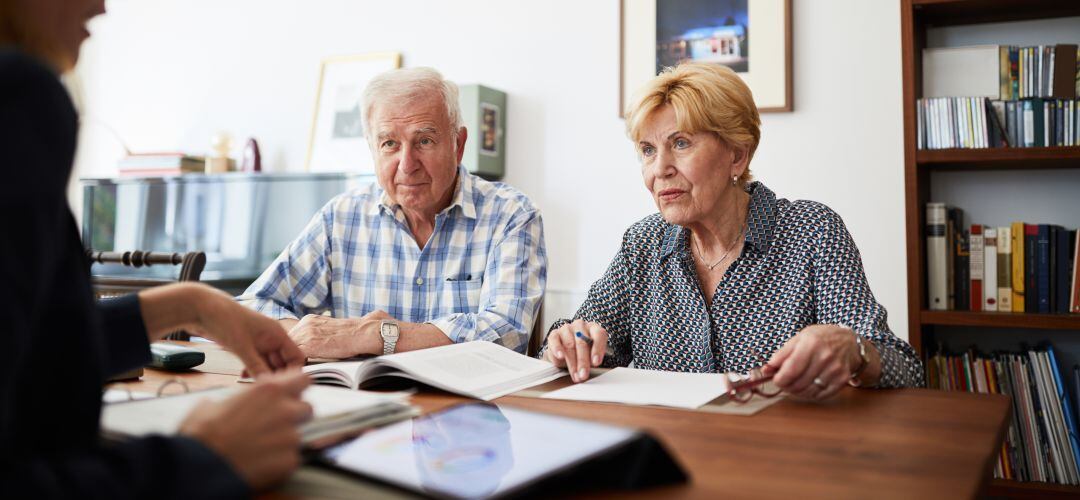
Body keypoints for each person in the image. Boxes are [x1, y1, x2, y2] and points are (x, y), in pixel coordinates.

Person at [0, 0, 314, 496]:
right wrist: (203, 458)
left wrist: (191, 304)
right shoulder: (20, 94)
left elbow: (37, 356)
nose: (101, 7)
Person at [540, 62, 923, 399]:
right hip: (670, 458)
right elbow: (584, 337)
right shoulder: (643, 243)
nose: (660, 170)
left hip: (781, 460)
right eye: (648, 150)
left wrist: (854, 352)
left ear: (738, 155)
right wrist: (567, 342)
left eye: (681, 143)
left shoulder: (812, 232)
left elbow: (906, 370)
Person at [238, 68, 546, 358]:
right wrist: (307, 337)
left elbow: (507, 333)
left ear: (458, 143)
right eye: (389, 144)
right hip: (365, 405)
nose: (407, 164)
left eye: (424, 141)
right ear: (372, 149)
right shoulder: (341, 217)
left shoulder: (511, 214)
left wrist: (376, 336)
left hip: (473, 408)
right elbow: (254, 306)